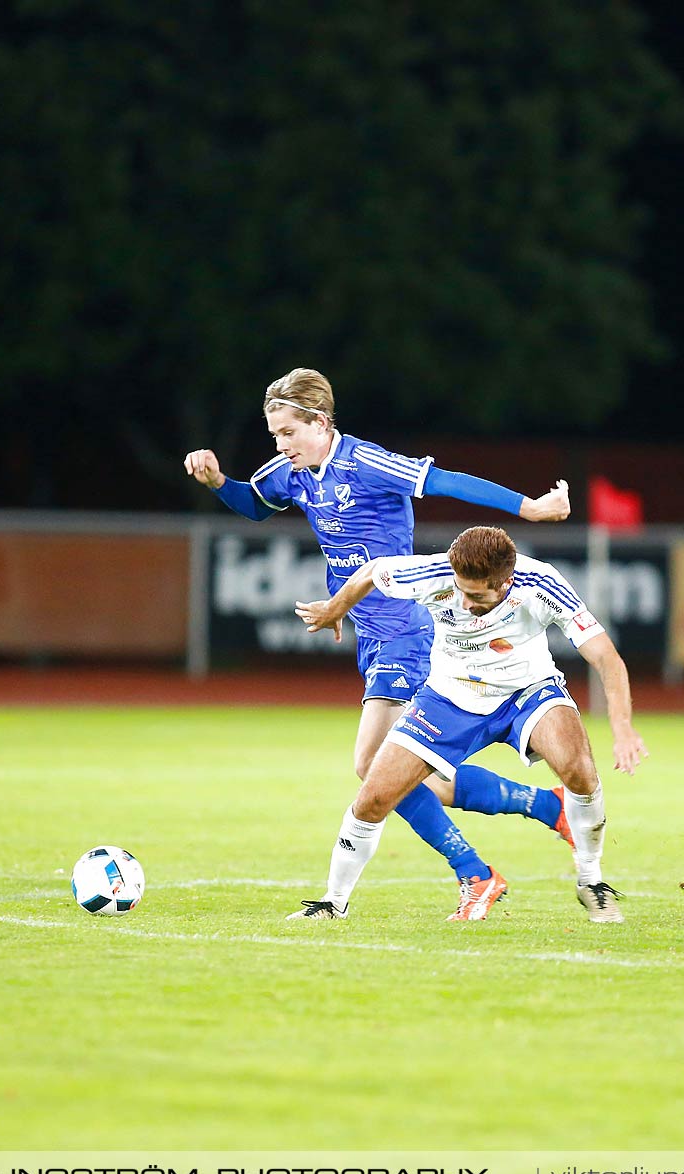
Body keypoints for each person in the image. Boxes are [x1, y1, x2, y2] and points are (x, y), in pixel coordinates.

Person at [184, 368, 576, 920]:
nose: (280, 445)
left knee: (374, 763)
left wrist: (529, 508)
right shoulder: (292, 473)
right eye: (275, 435)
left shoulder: (364, 462)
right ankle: (544, 806)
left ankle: (475, 874)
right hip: (372, 634)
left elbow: (446, 482)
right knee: (416, 775)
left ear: (320, 423)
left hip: (409, 630)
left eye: (288, 433)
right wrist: (218, 483)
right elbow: (255, 502)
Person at [291, 525, 647, 922]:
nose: (463, 600)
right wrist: (334, 609)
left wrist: (623, 728)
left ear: (505, 583)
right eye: (460, 590)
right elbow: (371, 571)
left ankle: (591, 881)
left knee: (579, 771)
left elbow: (606, 658)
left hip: (526, 692)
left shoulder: (541, 583)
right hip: (449, 698)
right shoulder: (434, 573)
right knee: (374, 795)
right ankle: (332, 903)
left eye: (475, 595)